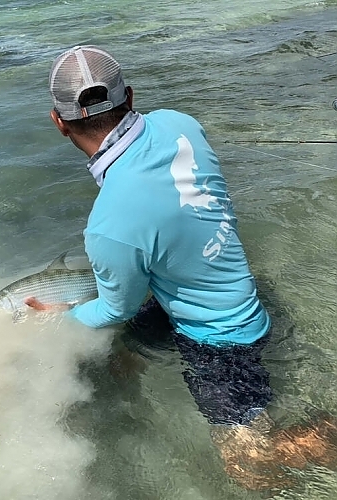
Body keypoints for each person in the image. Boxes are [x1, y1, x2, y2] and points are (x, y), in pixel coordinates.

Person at [27, 45, 337, 490]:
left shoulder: (108, 226)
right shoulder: (181, 123)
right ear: (129, 97)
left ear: (59, 123)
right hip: (231, 291)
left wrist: (65, 318)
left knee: (251, 469)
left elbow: (115, 309)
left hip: (221, 340)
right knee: (124, 356)